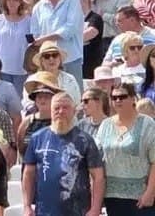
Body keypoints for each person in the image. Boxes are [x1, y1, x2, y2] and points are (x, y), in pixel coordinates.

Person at [23, 92, 105, 216]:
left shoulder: (85, 140)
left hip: (78, 211)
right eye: (56, 108)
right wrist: (27, 206)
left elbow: (98, 176)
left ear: (74, 111)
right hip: (45, 211)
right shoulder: (37, 138)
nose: (61, 111)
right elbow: (28, 174)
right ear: (51, 111)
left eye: (65, 108)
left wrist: (95, 208)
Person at [94, 82, 155, 216]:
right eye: (114, 97)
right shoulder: (105, 125)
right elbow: (96, 159)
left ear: (133, 98)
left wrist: (150, 192)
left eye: (122, 97)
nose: (118, 100)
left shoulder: (148, 124)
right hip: (112, 197)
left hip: (140, 198)